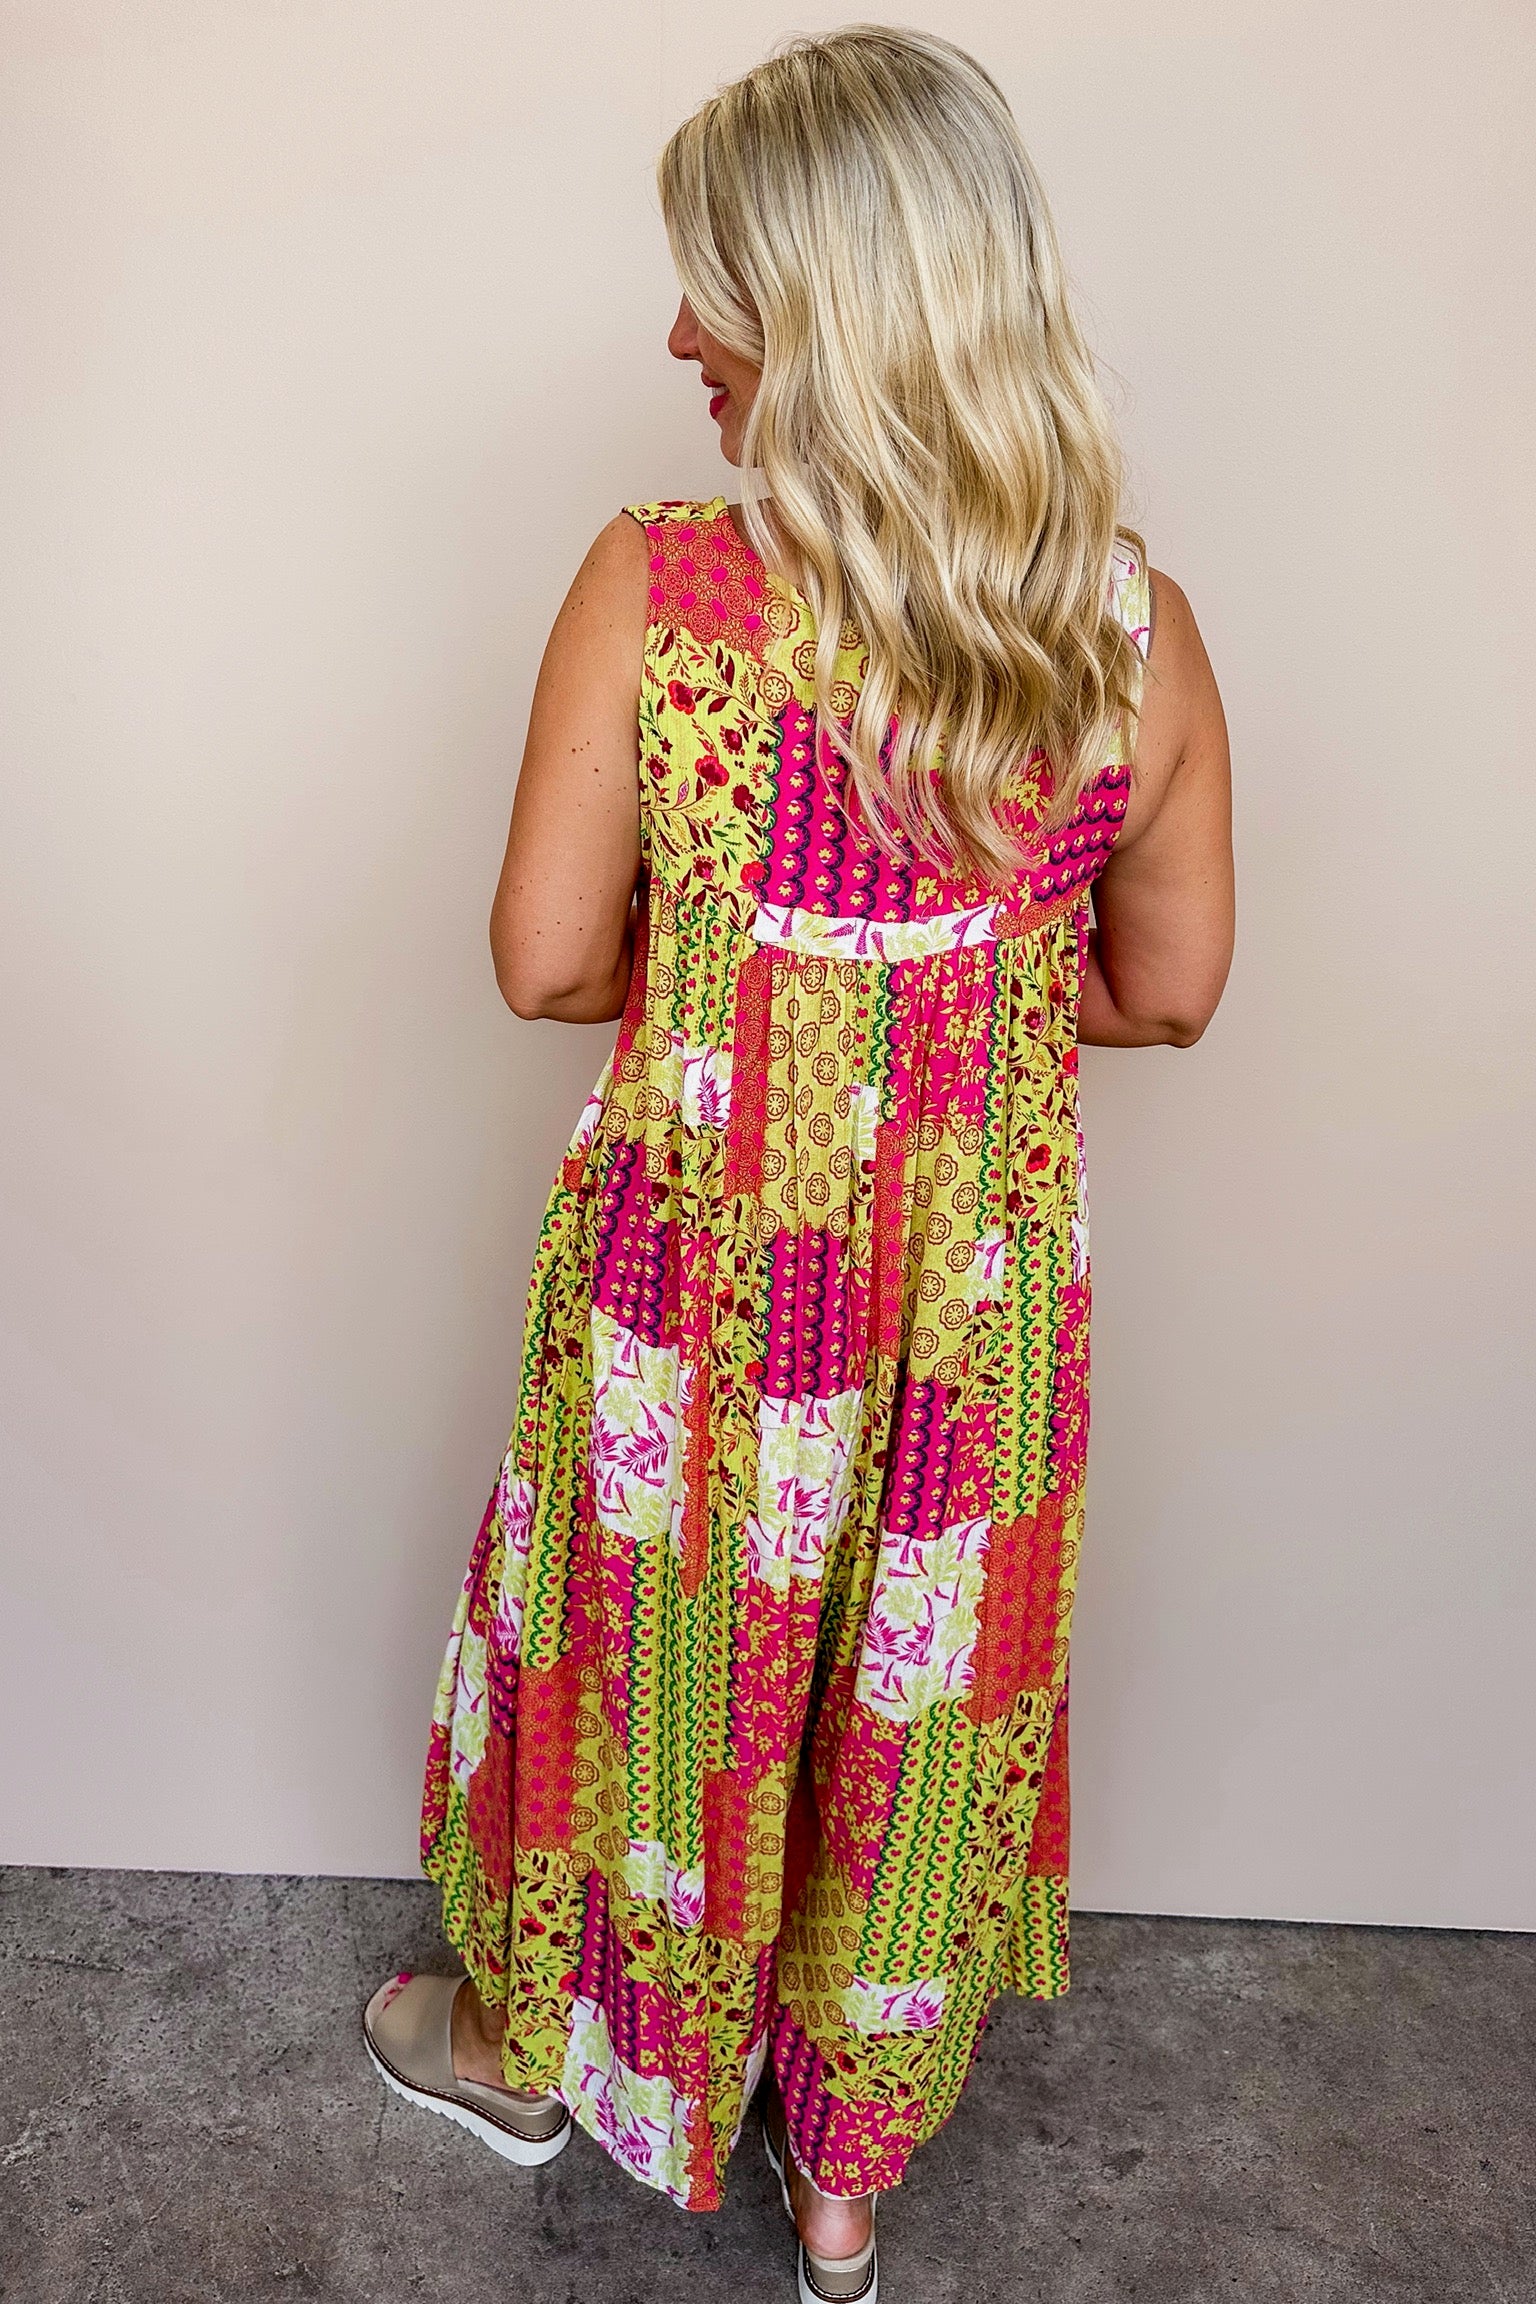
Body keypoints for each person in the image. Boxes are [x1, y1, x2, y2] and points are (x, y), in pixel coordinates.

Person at [363, 25, 1232, 2302]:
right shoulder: (1128, 632)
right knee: (912, 1694)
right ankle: (843, 2181)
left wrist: (762, 987)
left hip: (708, 1288)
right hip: (974, 1304)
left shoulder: (660, 590)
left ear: (834, 314)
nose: (679, 335)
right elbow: (1169, 989)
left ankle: (538, 2049)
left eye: (718, 288)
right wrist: (960, 995)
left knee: (657, 1658)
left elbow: (546, 963)